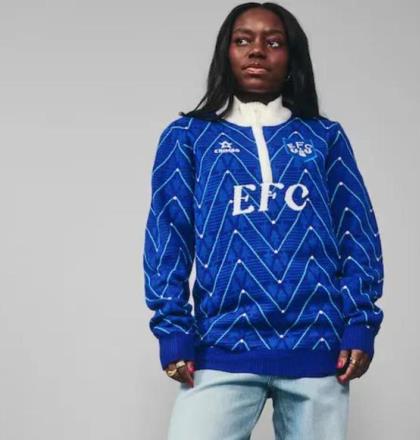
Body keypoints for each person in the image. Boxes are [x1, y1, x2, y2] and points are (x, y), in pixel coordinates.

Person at [142, 2, 384, 439]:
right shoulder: (188, 137)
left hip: (317, 346)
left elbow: (356, 231)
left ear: (292, 57)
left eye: (273, 43)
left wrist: (360, 322)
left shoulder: (324, 137)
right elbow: (168, 235)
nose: (257, 51)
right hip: (222, 344)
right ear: (226, 52)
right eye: (243, 40)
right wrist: (173, 328)